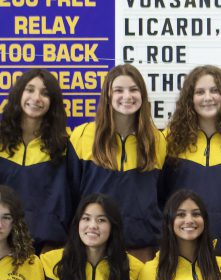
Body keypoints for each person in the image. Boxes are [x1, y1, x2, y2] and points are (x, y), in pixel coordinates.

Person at [69, 64, 165, 262]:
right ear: (107, 96)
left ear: (143, 95)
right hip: (93, 250)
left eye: (133, 89)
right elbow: (71, 196)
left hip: (141, 251)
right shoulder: (82, 136)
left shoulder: (156, 141)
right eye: (118, 90)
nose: (127, 96)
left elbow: (162, 197)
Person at [163, 65, 221, 251]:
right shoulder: (168, 143)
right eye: (200, 92)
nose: (208, 97)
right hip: (179, 252)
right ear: (190, 99)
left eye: (215, 91)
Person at [0, 68, 72, 251]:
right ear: (19, 93)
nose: (36, 98)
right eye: (30, 89)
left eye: (45, 93)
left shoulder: (66, 143)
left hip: (48, 249)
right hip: (0, 244)